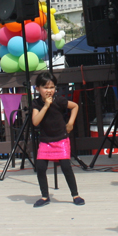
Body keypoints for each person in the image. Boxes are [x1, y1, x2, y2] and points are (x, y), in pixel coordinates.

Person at [32, 72, 84, 207]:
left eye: (52, 87)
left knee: (66, 167)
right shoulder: (36, 103)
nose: (49, 91)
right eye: (45, 87)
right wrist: (45, 106)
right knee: (41, 167)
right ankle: (44, 196)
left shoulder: (59, 100)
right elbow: (35, 122)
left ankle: (75, 194)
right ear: (37, 88)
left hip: (61, 139)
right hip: (45, 141)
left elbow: (75, 106)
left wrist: (71, 123)